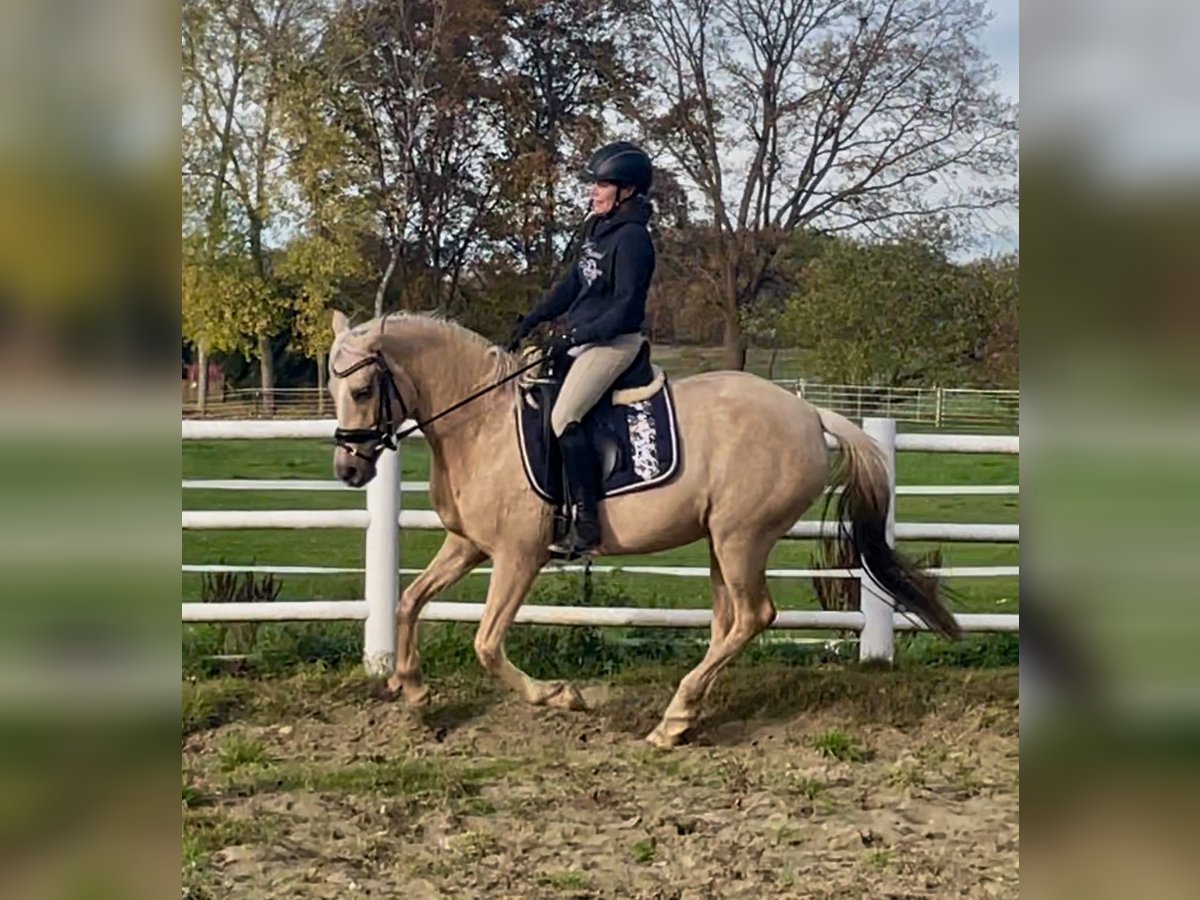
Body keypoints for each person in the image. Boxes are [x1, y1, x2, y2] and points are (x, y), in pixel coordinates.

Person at [507, 140, 657, 557]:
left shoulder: (632, 241)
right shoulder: (597, 229)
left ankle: (587, 524)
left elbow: (626, 309)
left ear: (626, 191)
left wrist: (573, 337)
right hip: (585, 337)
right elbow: (574, 285)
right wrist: (533, 319)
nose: (593, 192)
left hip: (614, 343)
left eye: (602, 185)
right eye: (594, 185)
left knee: (564, 415)